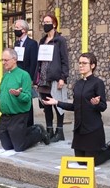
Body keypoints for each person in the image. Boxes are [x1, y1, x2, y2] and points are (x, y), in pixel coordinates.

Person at [43, 53, 110, 166]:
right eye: (80, 63)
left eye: (84, 63)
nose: (81, 65)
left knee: (92, 163)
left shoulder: (98, 83)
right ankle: (107, 148)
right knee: (81, 162)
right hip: (79, 130)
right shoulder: (78, 84)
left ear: (92, 65)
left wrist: (96, 103)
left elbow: (103, 107)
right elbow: (75, 106)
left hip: (93, 129)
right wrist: (57, 102)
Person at [0, 48, 51, 152]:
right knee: (7, 147)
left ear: (14, 59)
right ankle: (23, 133)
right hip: (5, 117)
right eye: (2, 60)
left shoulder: (24, 75)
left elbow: (27, 98)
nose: (3, 63)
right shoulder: (5, 76)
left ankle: (38, 131)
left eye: (6, 60)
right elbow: (0, 97)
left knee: (19, 147)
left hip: (18, 116)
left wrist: (19, 94)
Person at [36, 14, 69, 143]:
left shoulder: (60, 40)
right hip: (43, 78)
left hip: (55, 78)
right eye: (44, 22)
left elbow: (64, 60)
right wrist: (36, 78)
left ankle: (59, 131)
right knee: (46, 105)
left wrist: (63, 78)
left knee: (57, 104)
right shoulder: (42, 40)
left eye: (48, 22)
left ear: (54, 24)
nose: (46, 24)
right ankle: (49, 130)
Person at [13, 19, 39, 127]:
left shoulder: (32, 44)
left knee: (27, 100)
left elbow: (34, 63)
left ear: (24, 30)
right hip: (17, 76)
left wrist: (32, 79)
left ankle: (29, 124)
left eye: (17, 28)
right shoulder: (16, 43)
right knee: (18, 99)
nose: (15, 30)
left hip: (27, 76)